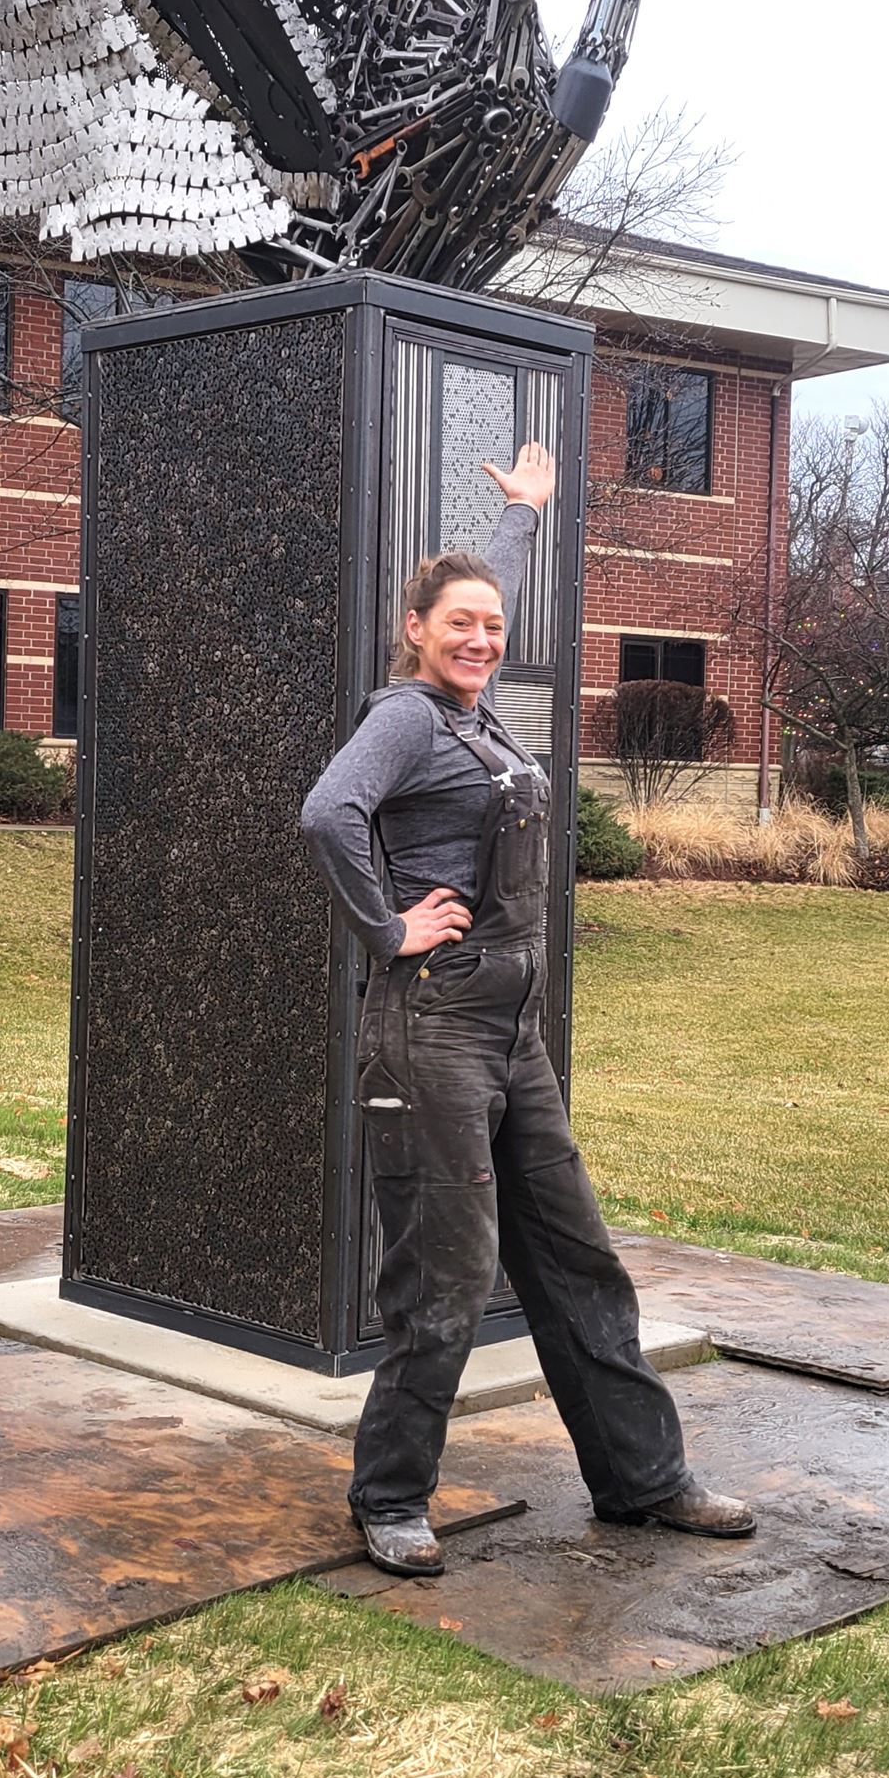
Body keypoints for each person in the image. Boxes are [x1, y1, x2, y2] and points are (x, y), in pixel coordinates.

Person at [301, 441, 756, 1577]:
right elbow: (328, 813)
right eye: (458, 621)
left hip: (515, 1035)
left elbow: (485, 591)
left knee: (578, 1257)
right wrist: (388, 925)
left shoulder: (479, 712)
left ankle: (644, 1481)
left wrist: (523, 518)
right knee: (445, 1274)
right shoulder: (406, 718)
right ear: (416, 627)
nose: (479, 637)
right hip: (434, 1029)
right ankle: (392, 1496)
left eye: (492, 624)